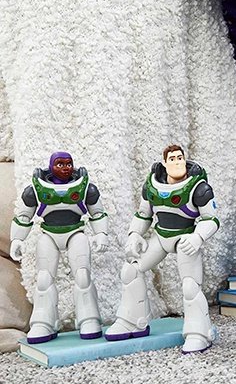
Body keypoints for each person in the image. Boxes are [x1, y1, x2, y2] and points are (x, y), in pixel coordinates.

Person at [105, 145, 219, 354]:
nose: (177, 162)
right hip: (161, 236)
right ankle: (132, 321)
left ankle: (199, 333)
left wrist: (198, 236)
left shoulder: (199, 187)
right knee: (131, 270)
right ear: (164, 163)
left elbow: (211, 219)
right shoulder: (152, 185)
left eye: (180, 158)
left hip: (185, 238)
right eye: (172, 159)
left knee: (190, 286)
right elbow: (143, 214)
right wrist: (134, 234)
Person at [10, 151, 109, 343]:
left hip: (75, 232)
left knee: (82, 275)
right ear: (51, 166)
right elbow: (23, 215)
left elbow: (97, 212)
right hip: (48, 235)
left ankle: (89, 319)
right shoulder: (35, 190)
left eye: (68, 164)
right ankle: (43, 322)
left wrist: (101, 234)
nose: (65, 168)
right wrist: (17, 239)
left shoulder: (86, 187)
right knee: (44, 279)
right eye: (60, 164)